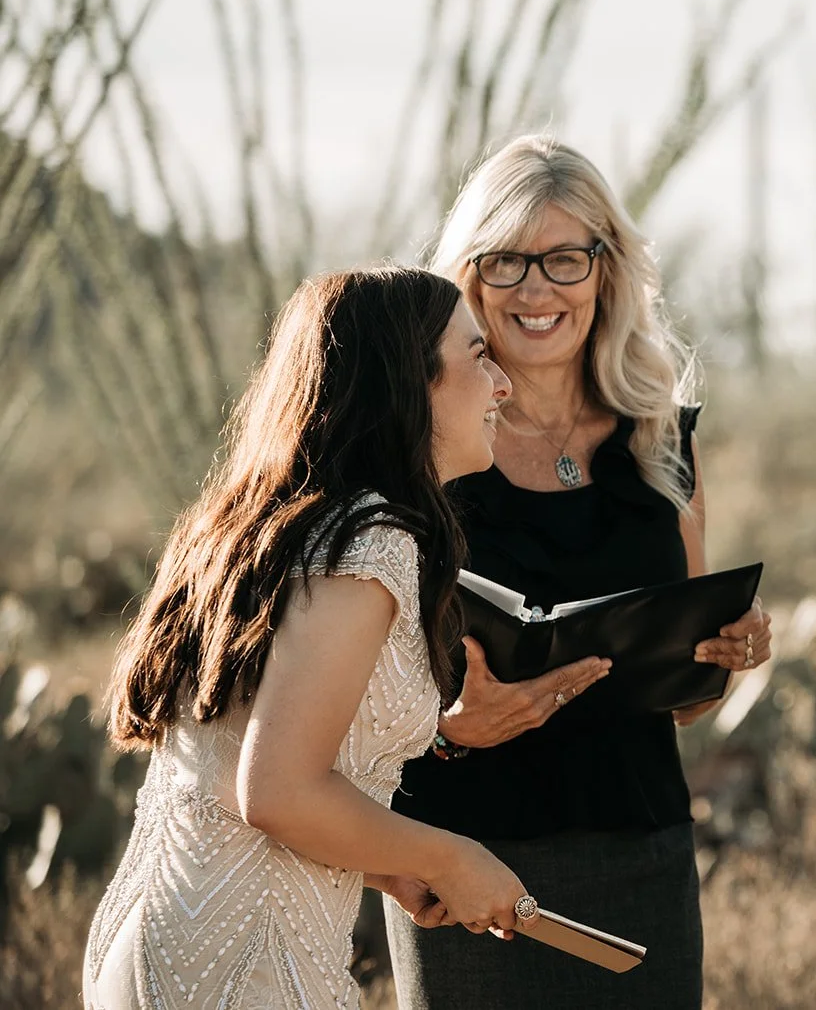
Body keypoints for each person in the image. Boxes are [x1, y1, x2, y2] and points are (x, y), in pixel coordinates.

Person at [384, 135, 772, 1010]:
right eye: (506, 261)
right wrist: (448, 728)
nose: (534, 289)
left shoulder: (662, 439)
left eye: (563, 258)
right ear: (467, 276)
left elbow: (688, 699)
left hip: (642, 849)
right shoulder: (420, 445)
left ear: (606, 269)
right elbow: (351, 683)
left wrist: (722, 651)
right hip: (464, 858)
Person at [81, 267, 535, 1010]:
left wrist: (390, 868)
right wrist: (451, 854)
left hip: (163, 943)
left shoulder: (265, 526)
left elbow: (241, 768)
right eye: (478, 354)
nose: (503, 384)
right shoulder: (375, 541)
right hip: (241, 963)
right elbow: (279, 788)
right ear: (408, 382)